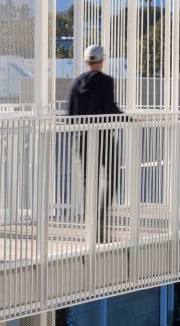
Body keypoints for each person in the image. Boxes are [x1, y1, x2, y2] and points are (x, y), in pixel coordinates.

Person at [68, 44, 123, 243]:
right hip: (104, 137)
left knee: (87, 180)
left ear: (86, 61)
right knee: (113, 174)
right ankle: (101, 213)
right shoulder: (106, 81)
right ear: (102, 60)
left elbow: (70, 116)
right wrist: (129, 120)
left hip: (82, 137)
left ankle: (90, 220)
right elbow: (110, 108)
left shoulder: (76, 82)